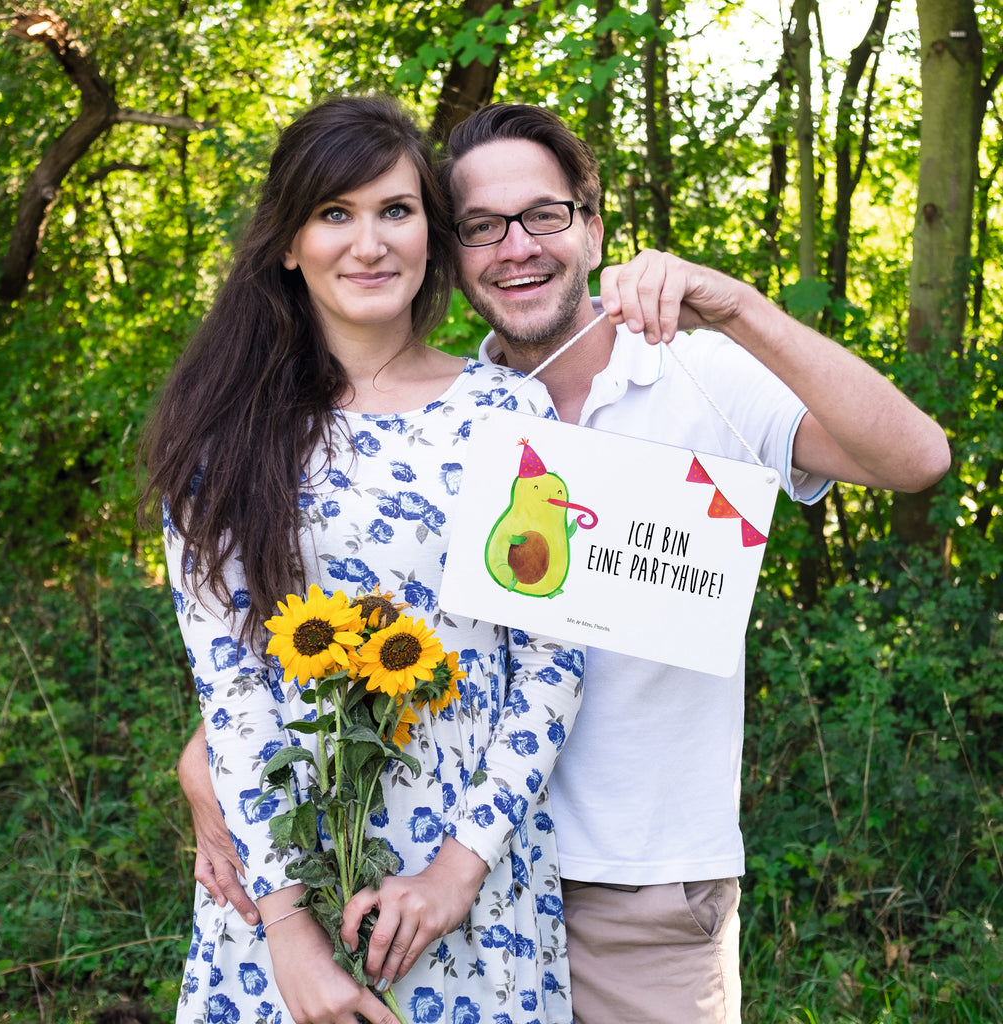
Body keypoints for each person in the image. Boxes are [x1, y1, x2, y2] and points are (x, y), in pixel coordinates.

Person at [181, 102, 951, 1024]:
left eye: (544, 215)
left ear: (591, 225)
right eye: (481, 226)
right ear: (453, 250)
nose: (516, 247)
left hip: (630, 888)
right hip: (399, 875)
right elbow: (309, 633)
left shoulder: (689, 374)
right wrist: (214, 771)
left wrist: (738, 306)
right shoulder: (442, 416)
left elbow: (916, 461)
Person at [142, 96, 587, 1024]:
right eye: (334, 214)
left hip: (471, 887)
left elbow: (553, 660)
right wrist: (290, 937)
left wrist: (457, 873)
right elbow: (232, 691)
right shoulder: (223, 438)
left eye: (396, 210)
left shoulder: (512, 416)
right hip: (281, 885)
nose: (370, 243)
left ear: (431, 230)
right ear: (288, 244)